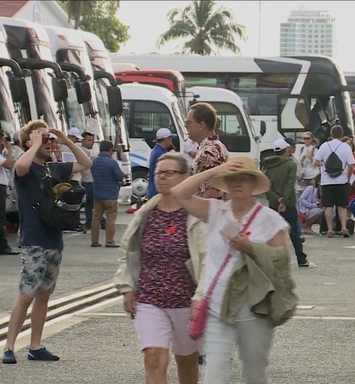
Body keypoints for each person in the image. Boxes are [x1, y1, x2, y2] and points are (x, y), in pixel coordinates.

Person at [168, 157, 297, 384]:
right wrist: (215, 170)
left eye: (244, 179)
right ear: (225, 184)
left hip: (254, 308)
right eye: (232, 179)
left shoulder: (269, 219)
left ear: (253, 185)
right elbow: (178, 194)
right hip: (218, 307)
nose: (238, 184)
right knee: (214, 375)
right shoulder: (216, 210)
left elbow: (281, 260)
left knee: (254, 374)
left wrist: (252, 248)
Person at [3, 120, 92, 364]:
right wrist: (34, 142)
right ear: (29, 142)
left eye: (50, 139)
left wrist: (66, 141)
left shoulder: (53, 169)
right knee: (26, 294)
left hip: (54, 239)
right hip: (34, 240)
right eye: (44, 139)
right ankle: (9, 347)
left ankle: (35, 345)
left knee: (44, 294)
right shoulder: (27, 168)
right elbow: (20, 166)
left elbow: (86, 164)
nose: (49, 143)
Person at [114, 152, 204, 384]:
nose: (162, 177)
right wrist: (127, 287)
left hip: (186, 301)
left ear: (185, 177)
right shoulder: (146, 214)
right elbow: (128, 253)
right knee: (153, 359)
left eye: (169, 173)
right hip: (149, 299)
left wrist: (201, 297)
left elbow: (207, 262)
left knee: (186, 360)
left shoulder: (196, 215)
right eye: (158, 173)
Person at [262, 139, 315, 268]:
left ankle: (270, 259)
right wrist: (284, 200)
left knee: (272, 232)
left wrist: (276, 199)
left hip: (273, 203)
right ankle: (301, 259)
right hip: (288, 202)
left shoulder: (266, 166)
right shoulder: (290, 164)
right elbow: (289, 185)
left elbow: (266, 186)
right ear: (286, 149)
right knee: (294, 232)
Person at [314, 125, 355, 238]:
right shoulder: (345, 147)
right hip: (341, 180)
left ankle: (330, 229)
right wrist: (347, 177)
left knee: (328, 206)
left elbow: (316, 162)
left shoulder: (324, 146)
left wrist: (323, 165)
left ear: (331, 134)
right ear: (341, 135)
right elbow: (351, 165)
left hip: (326, 181)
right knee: (341, 206)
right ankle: (343, 227)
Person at [186, 102, 229, 198]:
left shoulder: (208, 152)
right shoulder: (217, 145)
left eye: (188, 122)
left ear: (201, 125)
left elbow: (211, 193)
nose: (185, 126)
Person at [90, 140, 125, 248]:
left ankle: (94, 241)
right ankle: (109, 241)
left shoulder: (94, 161)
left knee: (96, 217)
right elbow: (119, 176)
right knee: (110, 217)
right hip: (110, 194)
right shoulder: (112, 162)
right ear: (110, 150)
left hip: (98, 193)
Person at [79, 132, 99, 230]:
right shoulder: (83, 152)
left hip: (89, 179)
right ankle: (90, 221)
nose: (92, 143)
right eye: (89, 140)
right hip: (87, 180)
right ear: (83, 140)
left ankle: (90, 220)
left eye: (93, 140)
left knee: (89, 203)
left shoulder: (87, 151)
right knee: (90, 202)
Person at [147, 128, 174, 199]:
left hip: (153, 190)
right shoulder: (161, 154)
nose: (171, 141)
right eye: (170, 138)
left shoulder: (155, 151)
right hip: (157, 192)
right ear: (166, 139)